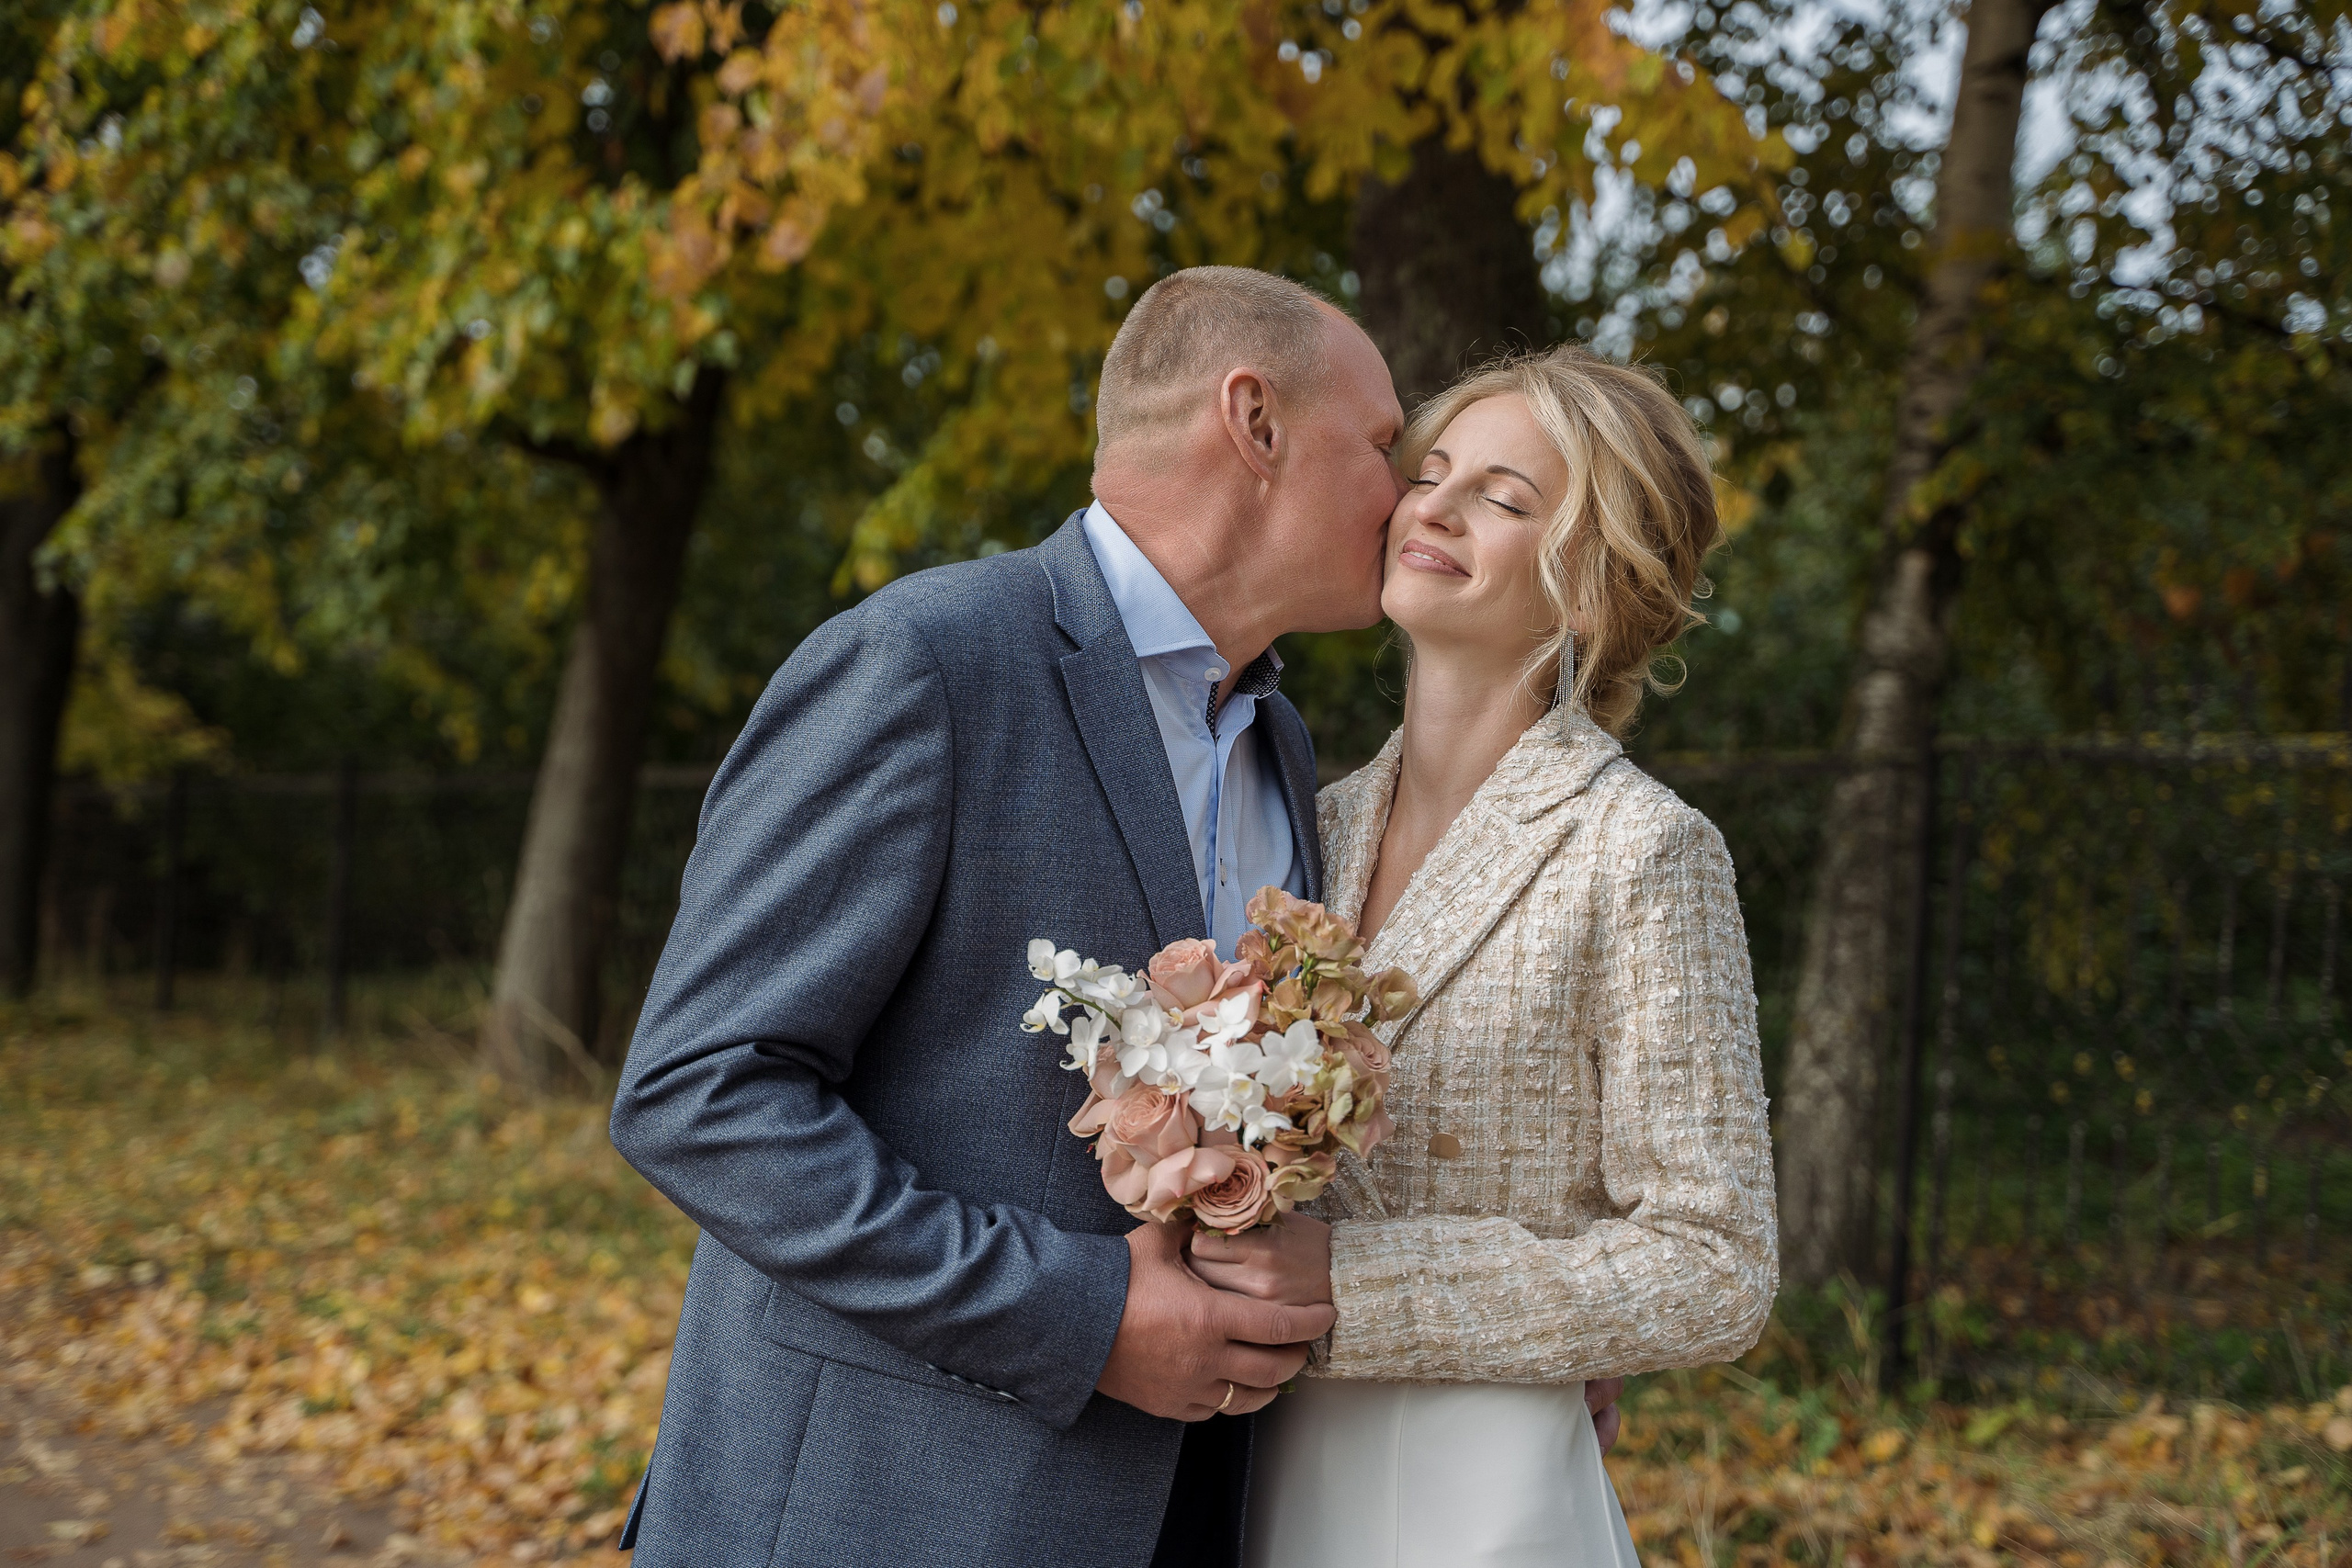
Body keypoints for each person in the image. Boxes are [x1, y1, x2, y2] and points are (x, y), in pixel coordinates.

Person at [608, 266, 1404, 1568]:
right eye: (1381, 444)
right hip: (878, 1515)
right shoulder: (925, 663)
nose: (1408, 488)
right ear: (1253, 422)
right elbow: (700, 1093)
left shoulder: (1284, 744)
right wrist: (1080, 1316)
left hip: (1190, 1513)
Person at [1193, 345, 1779, 1567]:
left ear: (1593, 585)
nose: (1438, 506)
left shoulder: (1643, 850)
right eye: (1435, 472)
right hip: (1254, 1466)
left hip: (1475, 1490)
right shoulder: (1309, 819)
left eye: (1506, 499)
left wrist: (1356, 1287)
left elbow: (1713, 1262)